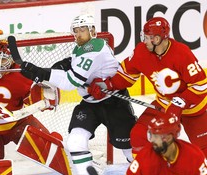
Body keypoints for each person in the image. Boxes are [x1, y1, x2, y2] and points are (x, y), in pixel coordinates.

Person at [18, 14, 137, 175]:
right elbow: (73, 64)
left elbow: (69, 81)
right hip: (90, 103)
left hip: (114, 102)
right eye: (76, 31)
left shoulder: (95, 48)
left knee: (128, 147)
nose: (79, 34)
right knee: (75, 140)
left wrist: (40, 72)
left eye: (83, 30)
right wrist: (61, 65)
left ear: (92, 31)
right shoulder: (81, 48)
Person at [88, 16, 207, 158]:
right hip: (163, 105)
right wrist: (108, 85)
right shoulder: (141, 51)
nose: (144, 40)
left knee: (203, 152)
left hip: (194, 109)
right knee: (138, 136)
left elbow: (200, 85)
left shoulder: (182, 53)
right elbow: (126, 74)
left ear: (156, 39)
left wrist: (179, 104)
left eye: (147, 37)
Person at [121, 113, 207, 175]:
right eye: (150, 135)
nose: (152, 140)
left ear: (169, 138)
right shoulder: (146, 156)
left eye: (155, 136)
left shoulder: (193, 157)